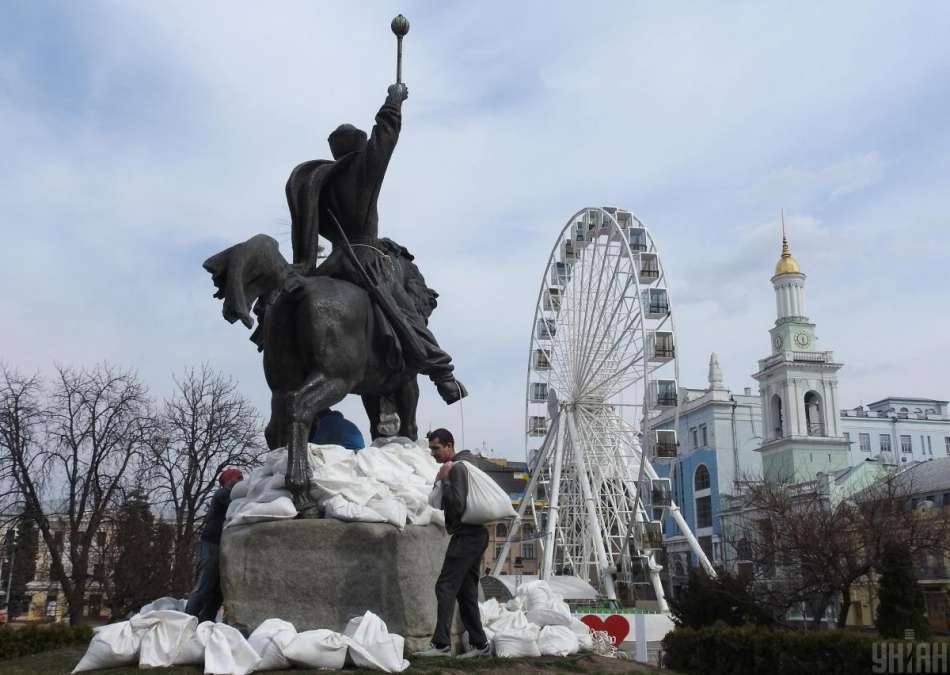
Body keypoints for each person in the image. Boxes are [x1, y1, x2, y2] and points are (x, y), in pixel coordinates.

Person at [284, 82, 467, 406]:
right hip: (366, 259)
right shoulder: (361, 170)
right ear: (358, 146)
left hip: (334, 262)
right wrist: (393, 102)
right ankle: (443, 374)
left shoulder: (318, 183)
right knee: (406, 314)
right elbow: (386, 136)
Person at [414, 428, 491, 658]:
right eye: (431, 449)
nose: (433, 453)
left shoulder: (456, 468)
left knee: (445, 586)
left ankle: (441, 645)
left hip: (466, 536)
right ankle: (480, 645)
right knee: (466, 592)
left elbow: (456, 505)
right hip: (477, 535)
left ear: (449, 446)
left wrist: (444, 480)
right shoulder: (468, 463)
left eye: (436, 448)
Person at [185, 468, 243, 622]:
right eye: (239, 478)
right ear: (230, 481)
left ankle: (205, 623)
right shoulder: (223, 494)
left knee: (218, 592)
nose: (242, 481)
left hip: (222, 547)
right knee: (204, 586)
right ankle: (186, 621)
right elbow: (240, 504)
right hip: (210, 545)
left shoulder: (231, 494)